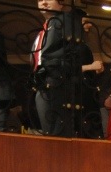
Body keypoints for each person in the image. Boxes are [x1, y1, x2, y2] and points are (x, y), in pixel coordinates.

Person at [32, 0, 84, 137]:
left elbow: (73, 52)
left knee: (58, 131)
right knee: (48, 130)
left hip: (58, 81)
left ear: (61, 3)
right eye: (40, 0)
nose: (43, 2)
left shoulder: (66, 20)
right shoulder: (45, 28)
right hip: (42, 81)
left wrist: (52, 69)